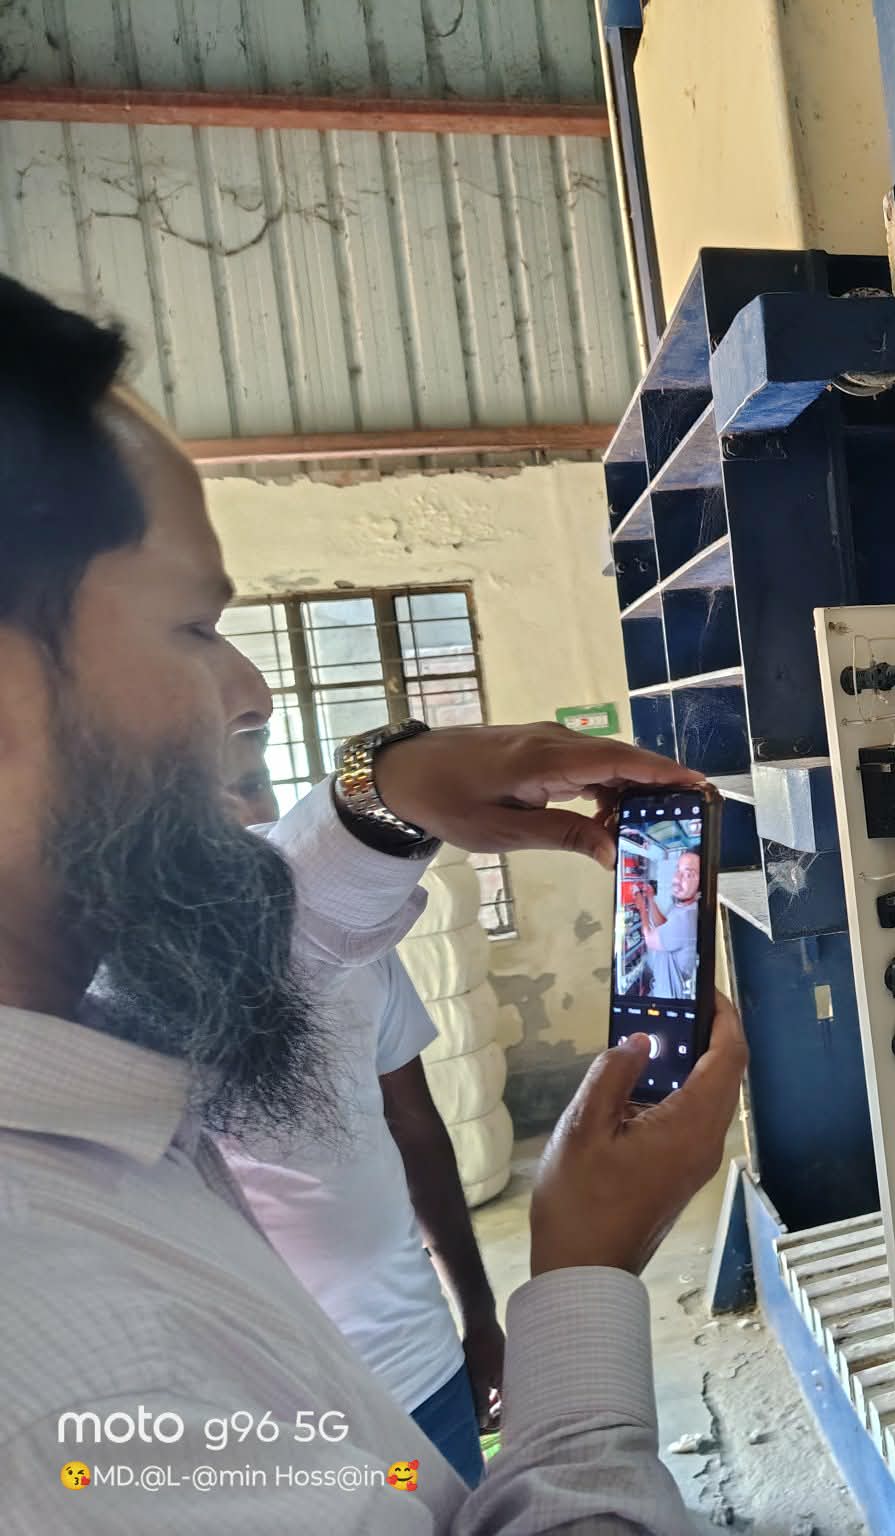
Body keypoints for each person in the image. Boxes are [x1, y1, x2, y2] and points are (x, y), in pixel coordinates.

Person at [0, 275, 744, 1531]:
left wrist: (383, 788)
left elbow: (265, 964)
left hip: (389, 1430)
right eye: (193, 628)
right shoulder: (74, 1389)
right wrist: (580, 1278)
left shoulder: (74, 1072)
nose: (251, 693)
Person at [218, 728, 504, 1487]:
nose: (252, 816)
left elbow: (415, 1127)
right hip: (260, 1410)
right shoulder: (92, 990)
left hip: (419, 1366)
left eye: (257, 785)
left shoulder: (356, 947)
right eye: (222, 789)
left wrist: (478, 1316)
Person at [642, 846, 701, 1000]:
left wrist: (641, 906)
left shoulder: (686, 919)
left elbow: (650, 939)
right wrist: (650, 899)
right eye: (678, 870)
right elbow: (663, 927)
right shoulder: (683, 908)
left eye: (688, 874)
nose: (676, 879)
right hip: (661, 988)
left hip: (667, 997)